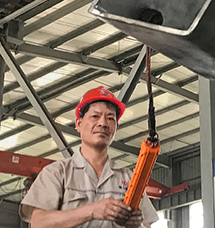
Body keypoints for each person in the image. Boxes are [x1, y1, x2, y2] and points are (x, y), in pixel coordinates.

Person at [20, 86, 159, 228]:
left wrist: (136, 225)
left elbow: (147, 225)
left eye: (110, 118)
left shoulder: (129, 179)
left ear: (116, 128)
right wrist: (92, 210)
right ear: (79, 124)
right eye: (95, 116)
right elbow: (38, 223)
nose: (103, 123)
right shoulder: (57, 173)